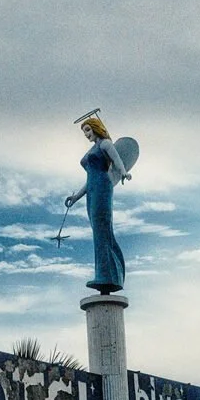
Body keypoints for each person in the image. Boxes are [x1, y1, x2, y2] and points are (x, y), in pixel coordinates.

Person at [65, 115, 129, 294]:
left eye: (87, 130)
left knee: (102, 230)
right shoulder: (93, 148)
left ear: (95, 127)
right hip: (92, 190)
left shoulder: (105, 144)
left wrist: (124, 173)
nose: (86, 134)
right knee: (97, 232)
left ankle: (107, 275)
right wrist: (76, 197)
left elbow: (118, 161)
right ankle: (105, 274)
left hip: (103, 188)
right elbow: (90, 180)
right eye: (84, 132)